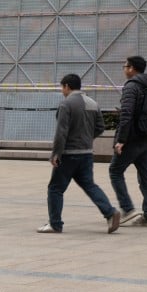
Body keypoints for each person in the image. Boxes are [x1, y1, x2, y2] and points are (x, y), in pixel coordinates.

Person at [38, 73, 121, 234]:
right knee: (89, 185)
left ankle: (55, 224)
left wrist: (56, 154)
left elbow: (61, 132)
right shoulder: (93, 103)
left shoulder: (66, 105)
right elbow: (100, 128)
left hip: (69, 154)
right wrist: (87, 139)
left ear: (67, 86)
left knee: (55, 188)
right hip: (86, 153)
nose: (62, 91)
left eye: (62, 87)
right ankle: (110, 212)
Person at [109, 56, 147, 227]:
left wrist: (121, 140)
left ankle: (128, 209)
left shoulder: (131, 86)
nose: (124, 69)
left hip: (134, 138)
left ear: (131, 68)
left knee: (115, 171)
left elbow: (127, 114)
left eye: (125, 66)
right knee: (146, 176)